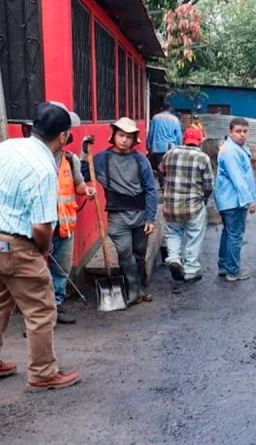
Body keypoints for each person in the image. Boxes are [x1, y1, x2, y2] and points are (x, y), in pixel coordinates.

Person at [0, 101, 81, 391]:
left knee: (1, 302)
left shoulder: (7, 147)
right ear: (63, 136)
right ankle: (43, 373)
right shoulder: (45, 169)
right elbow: (41, 227)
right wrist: (44, 249)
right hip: (18, 245)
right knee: (41, 308)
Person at [82, 118, 158, 305]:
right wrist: (84, 153)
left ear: (134, 140)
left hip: (140, 214)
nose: (124, 140)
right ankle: (133, 290)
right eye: (121, 135)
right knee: (125, 253)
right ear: (114, 136)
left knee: (139, 254)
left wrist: (150, 217)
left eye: (129, 137)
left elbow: (150, 189)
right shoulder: (101, 159)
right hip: (117, 216)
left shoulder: (141, 161)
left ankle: (140, 288)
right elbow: (84, 173)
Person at [49, 133, 96, 324]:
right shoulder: (35, 160)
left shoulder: (70, 159)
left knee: (62, 269)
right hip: (40, 225)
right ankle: (40, 314)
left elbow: (78, 185)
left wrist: (86, 190)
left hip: (65, 224)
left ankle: (56, 306)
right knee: (37, 271)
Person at [160, 127, 214, 283]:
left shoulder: (169, 154)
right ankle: (190, 270)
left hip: (170, 206)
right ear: (200, 141)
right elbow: (209, 185)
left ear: (184, 139)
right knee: (194, 235)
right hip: (193, 206)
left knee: (173, 232)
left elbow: (161, 171)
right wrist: (204, 199)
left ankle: (174, 258)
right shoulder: (203, 158)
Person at [214, 117, 256, 282]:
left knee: (228, 232)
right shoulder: (232, 151)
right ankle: (233, 271)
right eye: (238, 131)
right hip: (234, 200)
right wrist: (250, 200)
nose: (242, 135)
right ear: (230, 132)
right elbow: (239, 179)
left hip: (228, 199)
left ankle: (224, 265)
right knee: (235, 235)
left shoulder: (234, 148)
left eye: (245, 131)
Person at [146, 102, 182, 188]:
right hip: (171, 146)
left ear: (162, 109)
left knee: (159, 166)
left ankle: (162, 184)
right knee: (171, 165)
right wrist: (180, 145)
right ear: (170, 109)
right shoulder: (175, 119)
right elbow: (178, 135)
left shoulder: (155, 118)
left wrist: (149, 145)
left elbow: (151, 132)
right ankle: (170, 183)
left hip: (158, 147)